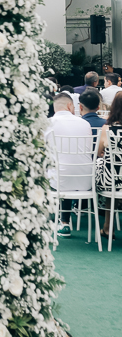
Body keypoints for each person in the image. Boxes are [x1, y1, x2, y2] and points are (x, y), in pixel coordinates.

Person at [45, 92, 95, 238]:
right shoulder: (85, 124)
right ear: (69, 105)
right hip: (86, 180)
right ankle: (65, 220)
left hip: (60, 179)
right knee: (67, 166)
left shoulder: (49, 123)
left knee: (54, 168)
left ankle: (53, 219)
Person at [94, 91, 122, 241]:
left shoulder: (107, 129)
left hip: (111, 181)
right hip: (116, 179)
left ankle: (107, 227)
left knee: (106, 167)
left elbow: (99, 153)